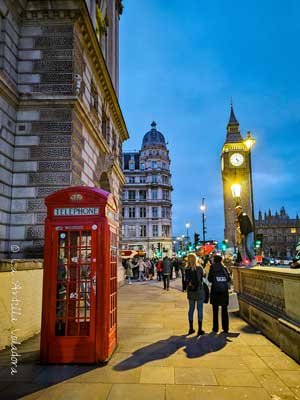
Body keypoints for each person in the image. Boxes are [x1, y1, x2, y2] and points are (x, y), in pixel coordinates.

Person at [208, 254, 231, 333]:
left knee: (215, 311)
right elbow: (229, 279)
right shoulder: (224, 268)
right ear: (221, 260)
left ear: (214, 260)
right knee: (224, 310)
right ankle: (225, 328)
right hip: (224, 291)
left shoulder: (212, 267)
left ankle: (215, 328)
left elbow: (210, 279)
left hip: (215, 291)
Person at [185, 253, 205, 336]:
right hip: (199, 290)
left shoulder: (187, 268)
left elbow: (185, 280)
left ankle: (191, 328)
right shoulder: (199, 268)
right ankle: (200, 329)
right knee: (200, 309)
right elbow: (203, 277)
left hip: (191, 291)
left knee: (191, 309)